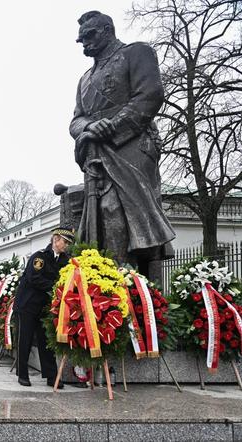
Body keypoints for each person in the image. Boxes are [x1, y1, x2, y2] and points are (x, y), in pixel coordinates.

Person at [70, 10, 175, 277]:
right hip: (97, 153)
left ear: (107, 30)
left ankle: (140, 292)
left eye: (90, 35)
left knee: (121, 213)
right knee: (102, 221)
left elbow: (149, 96)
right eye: (81, 39)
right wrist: (91, 127)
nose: (85, 43)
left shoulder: (136, 53)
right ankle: (109, 288)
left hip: (130, 147)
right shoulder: (84, 79)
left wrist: (112, 128)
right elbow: (76, 121)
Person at [14, 227, 74, 388]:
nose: (66, 245)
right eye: (65, 242)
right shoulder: (39, 257)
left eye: (68, 243)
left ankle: (51, 376)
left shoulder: (64, 260)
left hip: (45, 307)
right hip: (27, 305)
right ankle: (23, 374)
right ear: (55, 239)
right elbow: (34, 279)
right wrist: (56, 287)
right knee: (25, 340)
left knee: (46, 342)